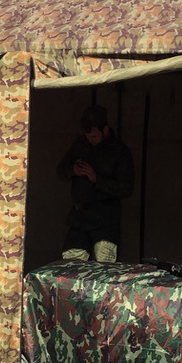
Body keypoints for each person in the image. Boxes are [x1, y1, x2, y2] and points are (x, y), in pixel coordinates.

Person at [57, 104, 134, 262]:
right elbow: (60, 170)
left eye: (94, 136)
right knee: (71, 265)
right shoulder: (81, 143)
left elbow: (127, 189)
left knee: (103, 266)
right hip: (79, 216)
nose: (90, 140)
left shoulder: (119, 150)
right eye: (88, 136)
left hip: (105, 218)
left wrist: (96, 178)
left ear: (105, 130)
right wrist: (73, 170)